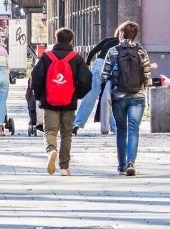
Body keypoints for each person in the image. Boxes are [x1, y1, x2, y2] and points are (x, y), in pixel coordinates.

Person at [31, 27, 92, 176]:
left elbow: (36, 78)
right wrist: (76, 95)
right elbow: (86, 80)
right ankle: (64, 167)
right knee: (66, 134)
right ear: (71, 40)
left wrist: (41, 96)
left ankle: (52, 150)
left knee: (50, 131)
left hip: (50, 101)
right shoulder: (76, 58)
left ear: (56, 38)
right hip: (68, 101)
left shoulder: (46, 57)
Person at [101, 20, 152, 176]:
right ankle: (131, 161)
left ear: (121, 33)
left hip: (119, 97)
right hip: (137, 97)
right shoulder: (142, 52)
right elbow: (147, 77)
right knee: (134, 129)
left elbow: (104, 75)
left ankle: (121, 165)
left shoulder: (113, 51)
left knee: (121, 130)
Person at [73, 37, 119, 135]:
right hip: (110, 65)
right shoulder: (123, 45)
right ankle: (115, 128)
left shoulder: (107, 40)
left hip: (98, 64)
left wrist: (87, 64)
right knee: (109, 98)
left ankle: (77, 123)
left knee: (90, 96)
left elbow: (92, 52)